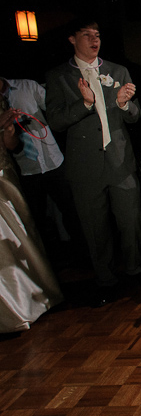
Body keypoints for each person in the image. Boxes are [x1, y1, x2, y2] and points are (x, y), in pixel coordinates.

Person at [46, 19, 141, 307]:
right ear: (72, 39)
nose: (94, 40)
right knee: (95, 227)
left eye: (97, 35)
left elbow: (136, 114)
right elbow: (55, 120)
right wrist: (82, 104)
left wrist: (123, 104)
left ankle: (134, 269)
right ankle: (105, 279)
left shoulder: (117, 71)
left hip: (120, 160)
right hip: (85, 165)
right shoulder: (59, 77)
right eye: (86, 35)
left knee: (132, 220)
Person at [0, 77, 85, 257]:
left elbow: (57, 112)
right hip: (24, 169)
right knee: (34, 219)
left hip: (53, 161)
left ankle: (84, 255)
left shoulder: (27, 86)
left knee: (71, 210)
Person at [0, 98, 63, 332]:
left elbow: (13, 145)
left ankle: (27, 301)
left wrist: (8, 130)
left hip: (5, 174)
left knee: (21, 236)